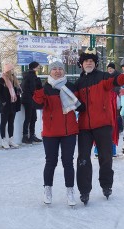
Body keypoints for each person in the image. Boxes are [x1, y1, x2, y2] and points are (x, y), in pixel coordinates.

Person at [75, 48, 124, 204]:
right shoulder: (78, 83)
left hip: (103, 124)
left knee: (105, 158)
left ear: (95, 63)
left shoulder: (103, 77)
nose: (88, 63)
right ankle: (84, 190)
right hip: (84, 127)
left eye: (91, 61)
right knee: (83, 159)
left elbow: (117, 80)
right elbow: (71, 100)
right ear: (82, 64)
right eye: (86, 61)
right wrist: (77, 105)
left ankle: (106, 185)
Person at [33, 60, 83, 206]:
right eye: (54, 69)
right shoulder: (46, 88)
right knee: (51, 162)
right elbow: (38, 104)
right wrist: (38, 90)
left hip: (69, 132)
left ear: (64, 71)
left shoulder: (71, 87)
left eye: (60, 69)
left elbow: (80, 104)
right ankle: (47, 189)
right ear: (50, 72)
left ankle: (70, 191)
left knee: (68, 162)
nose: (57, 71)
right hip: (50, 133)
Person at [0, 63, 21, 149]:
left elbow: (17, 92)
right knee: (3, 123)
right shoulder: (1, 80)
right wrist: (3, 101)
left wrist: (18, 90)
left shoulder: (14, 80)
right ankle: (3, 140)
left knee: (11, 123)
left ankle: (11, 140)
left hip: (13, 104)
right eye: (11, 69)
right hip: (6, 105)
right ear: (8, 70)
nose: (13, 71)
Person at [21, 61, 42, 144]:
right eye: (38, 66)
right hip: (29, 99)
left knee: (33, 117)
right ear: (34, 67)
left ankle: (31, 135)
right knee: (29, 118)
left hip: (29, 99)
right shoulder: (32, 76)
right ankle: (25, 136)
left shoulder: (29, 75)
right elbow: (33, 88)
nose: (39, 68)